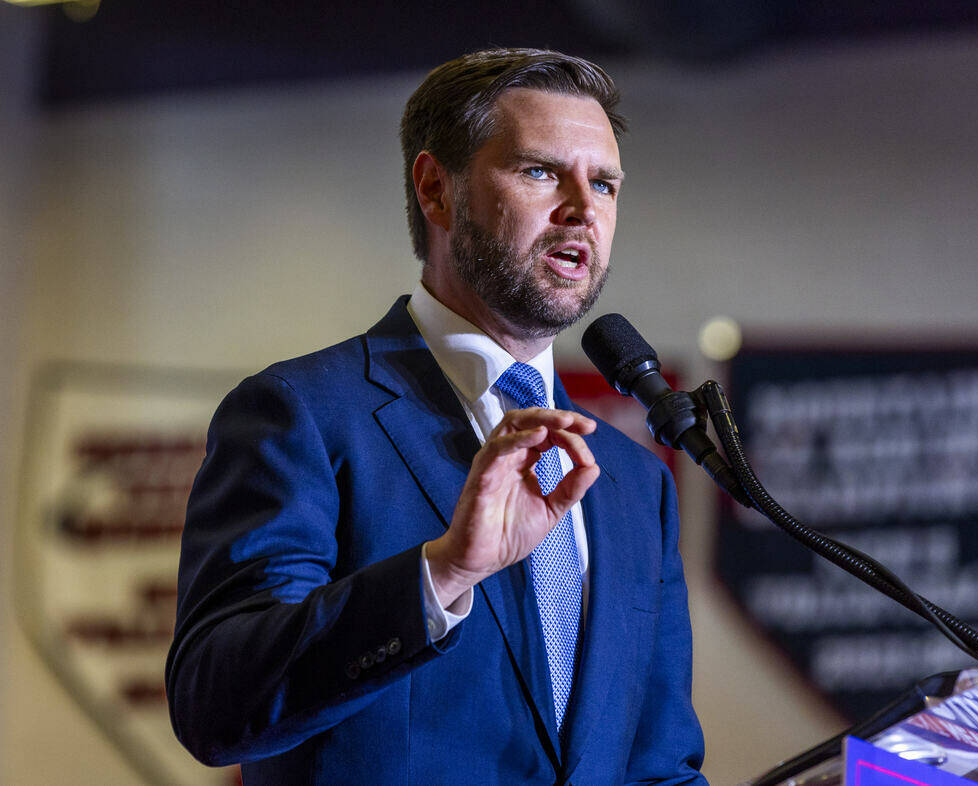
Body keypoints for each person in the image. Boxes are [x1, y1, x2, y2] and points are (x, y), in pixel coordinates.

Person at [167, 48, 707, 785]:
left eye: (605, 182)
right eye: (541, 172)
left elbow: (659, 766)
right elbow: (215, 704)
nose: (584, 207)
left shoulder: (635, 483)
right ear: (436, 191)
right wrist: (443, 574)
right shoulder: (304, 417)